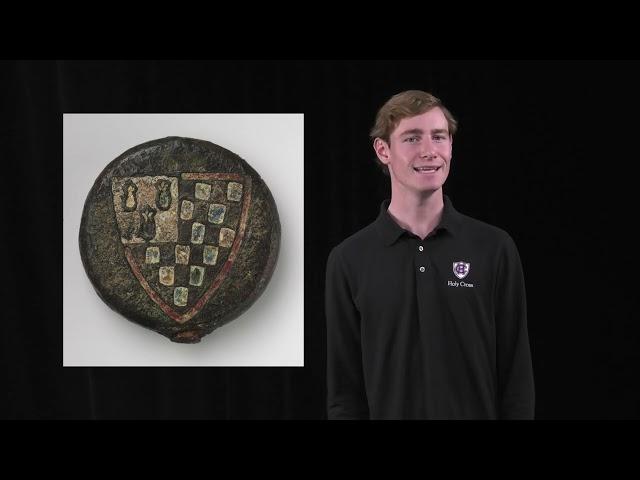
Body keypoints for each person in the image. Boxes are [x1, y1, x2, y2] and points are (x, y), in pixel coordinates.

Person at [325, 90, 534, 419]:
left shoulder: (494, 247)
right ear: (383, 150)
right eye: (411, 138)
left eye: (439, 137)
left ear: (450, 145)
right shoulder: (349, 260)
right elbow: (344, 392)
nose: (429, 151)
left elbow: (517, 378)